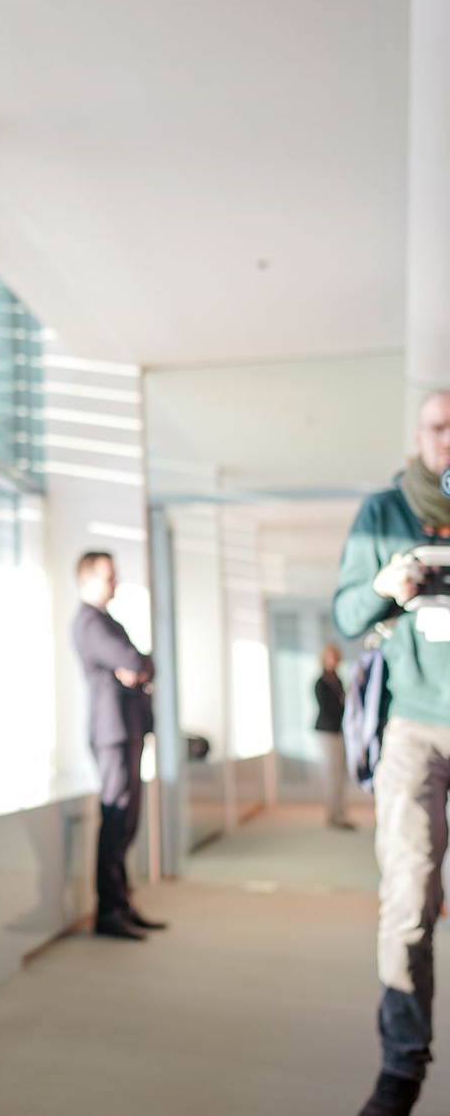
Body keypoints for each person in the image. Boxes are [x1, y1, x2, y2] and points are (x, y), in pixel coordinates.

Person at [338, 390, 450, 1116]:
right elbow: (346, 614)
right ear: (419, 433)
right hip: (412, 725)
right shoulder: (382, 512)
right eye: (441, 428)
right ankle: (402, 1065)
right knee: (409, 893)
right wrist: (386, 584)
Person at [71, 550, 166, 941]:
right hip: (111, 733)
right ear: (87, 579)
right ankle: (108, 911)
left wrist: (138, 666)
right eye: (108, 577)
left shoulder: (107, 621)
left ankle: (123, 902)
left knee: (127, 821)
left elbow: (144, 665)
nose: (115, 583)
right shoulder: (91, 623)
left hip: (127, 730)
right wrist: (135, 665)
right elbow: (133, 659)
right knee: (116, 819)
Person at [314, 642, 354, 829]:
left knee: (340, 773)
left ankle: (340, 811)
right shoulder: (321, 683)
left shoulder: (338, 680)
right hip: (328, 732)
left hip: (340, 731)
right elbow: (329, 708)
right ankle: (333, 813)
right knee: (332, 773)